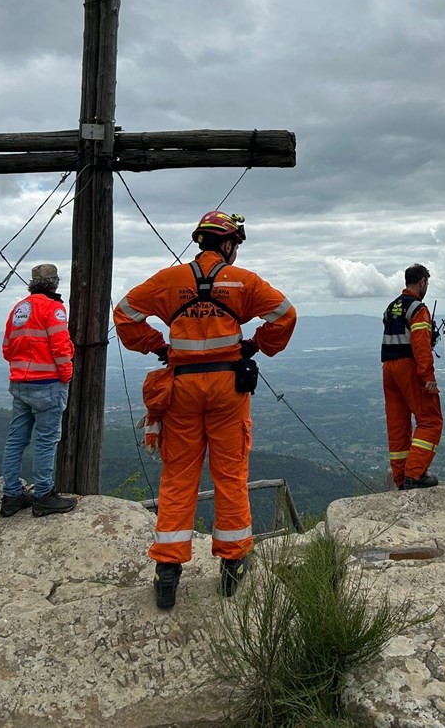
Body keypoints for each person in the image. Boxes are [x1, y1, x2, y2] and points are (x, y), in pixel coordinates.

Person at [113, 210, 296, 610]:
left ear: (201, 241)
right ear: (228, 244)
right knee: (230, 474)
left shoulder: (169, 280)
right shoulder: (243, 281)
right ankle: (232, 566)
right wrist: (256, 344)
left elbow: (124, 313)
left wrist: (157, 346)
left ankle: (167, 571)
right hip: (228, 388)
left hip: (180, 389)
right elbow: (284, 315)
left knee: (179, 477)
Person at [0, 263, 78, 518]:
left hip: (19, 383)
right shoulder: (53, 308)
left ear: (32, 284)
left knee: (15, 440)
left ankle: (11, 495)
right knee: (46, 440)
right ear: (54, 283)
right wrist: (66, 376)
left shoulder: (18, 309)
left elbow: (7, 349)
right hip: (47, 385)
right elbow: (61, 347)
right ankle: (44, 496)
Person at [381, 263, 442, 490]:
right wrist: (428, 378)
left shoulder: (392, 307)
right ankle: (415, 474)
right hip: (408, 367)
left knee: (398, 424)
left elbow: (390, 329)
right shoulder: (418, 308)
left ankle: (400, 478)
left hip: (388, 368)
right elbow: (420, 346)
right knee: (431, 420)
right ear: (422, 282)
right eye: (427, 283)